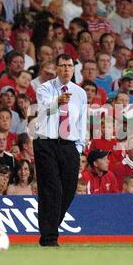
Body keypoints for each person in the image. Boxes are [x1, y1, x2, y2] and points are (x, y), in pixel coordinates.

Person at [33, 53, 87, 247]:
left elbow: (82, 121)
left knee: (69, 190)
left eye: (69, 66)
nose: (66, 69)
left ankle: (50, 225)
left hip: (69, 145)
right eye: (62, 66)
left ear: (73, 69)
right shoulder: (45, 89)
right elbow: (44, 109)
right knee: (51, 190)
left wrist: (79, 148)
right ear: (56, 68)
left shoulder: (80, 93)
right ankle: (49, 238)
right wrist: (59, 101)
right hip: (46, 143)